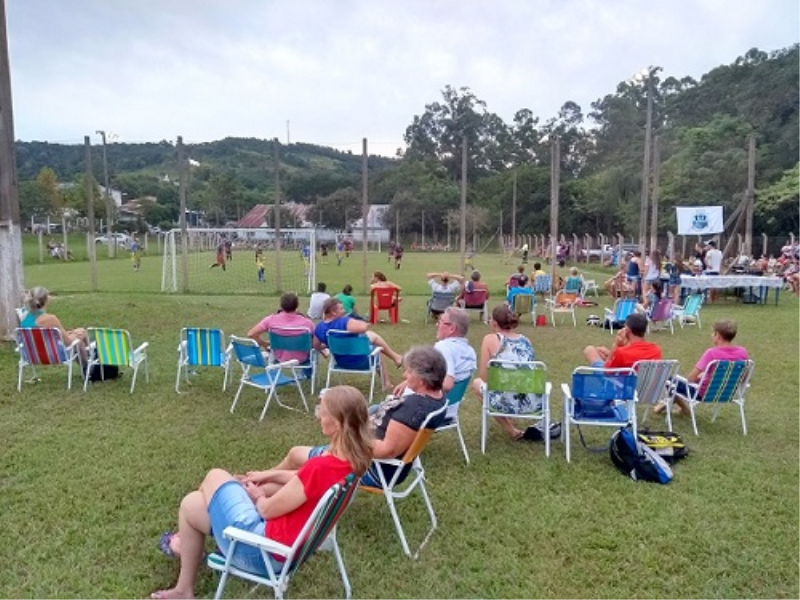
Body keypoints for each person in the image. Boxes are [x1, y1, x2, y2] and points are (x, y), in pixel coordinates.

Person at [150, 386, 373, 600]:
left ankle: (203, 546)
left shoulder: (321, 467)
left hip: (263, 552)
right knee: (191, 504)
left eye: (321, 413)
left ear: (337, 424)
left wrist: (257, 494)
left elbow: (266, 509)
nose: (318, 417)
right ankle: (184, 589)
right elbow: (303, 480)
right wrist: (268, 475)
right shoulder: (352, 461)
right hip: (287, 548)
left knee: (215, 476)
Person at [265, 347, 447, 499]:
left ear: (422, 380)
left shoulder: (413, 409)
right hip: (381, 462)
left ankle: (260, 487)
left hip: (372, 468)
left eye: (409, 372)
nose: (405, 375)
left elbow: (386, 450)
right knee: (303, 463)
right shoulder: (436, 399)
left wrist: (348, 434)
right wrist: (408, 386)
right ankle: (261, 484)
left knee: (296, 456)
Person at [471, 304, 538, 441]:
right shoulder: (526, 340)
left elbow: (484, 376)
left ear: (494, 322)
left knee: (477, 383)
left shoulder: (490, 339)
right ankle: (509, 420)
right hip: (530, 400)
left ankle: (511, 430)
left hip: (505, 398)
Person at [656, 319, 749, 415]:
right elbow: (743, 377)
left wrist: (701, 376)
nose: (712, 335)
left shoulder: (712, 353)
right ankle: (671, 406)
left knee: (671, 380)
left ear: (718, 336)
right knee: (699, 377)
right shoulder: (742, 352)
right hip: (728, 393)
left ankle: (682, 408)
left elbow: (691, 379)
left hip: (704, 394)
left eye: (713, 333)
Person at [314, 298, 403, 388]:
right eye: (341, 309)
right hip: (361, 361)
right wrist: (365, 323)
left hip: (340, 363)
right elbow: (362, 328)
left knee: (371, 336)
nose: (344, 311)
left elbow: (316, 345)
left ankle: (396, 357)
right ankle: (387, 382)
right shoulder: (344, 322)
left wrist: (330, 344)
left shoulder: (320, 327)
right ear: (333, 312)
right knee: (377, 350)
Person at [393, 307, 476, 397]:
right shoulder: (470, 352)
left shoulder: (444, 347)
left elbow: (447, 384)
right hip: (450, 407)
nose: (437, 325)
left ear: (451, 328)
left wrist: (414, 381)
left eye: (440, 322)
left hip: (426, 406)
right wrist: (407, 382)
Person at [20, 286, 88, 362]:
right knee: (80, 339)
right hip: (52, 355)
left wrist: (70, 333)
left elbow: (42, 337)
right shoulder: (50, 319)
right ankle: (89, 368)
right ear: (46, 300)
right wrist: (77, 335)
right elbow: (68, 342)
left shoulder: (24, 318)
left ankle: (89, 366)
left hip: (30, 356)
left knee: (77, 333)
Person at [247, 293, 315, 363]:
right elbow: (316, 341)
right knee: (313, 350)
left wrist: (265, 344)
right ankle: (308, 373)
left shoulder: (271, 320)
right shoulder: (308, 323)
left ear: (281, 305)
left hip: (278, 358)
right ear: (297, 305)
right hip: (301, 359)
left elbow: (251, 334)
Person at [583, 312, 662, 369]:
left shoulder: (621, 352)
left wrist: (616, 345)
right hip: (643, 387)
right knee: (600, 351)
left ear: (627, 330)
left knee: (589, 350)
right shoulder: (656, 349)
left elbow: (606, 371)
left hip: (619, 385)